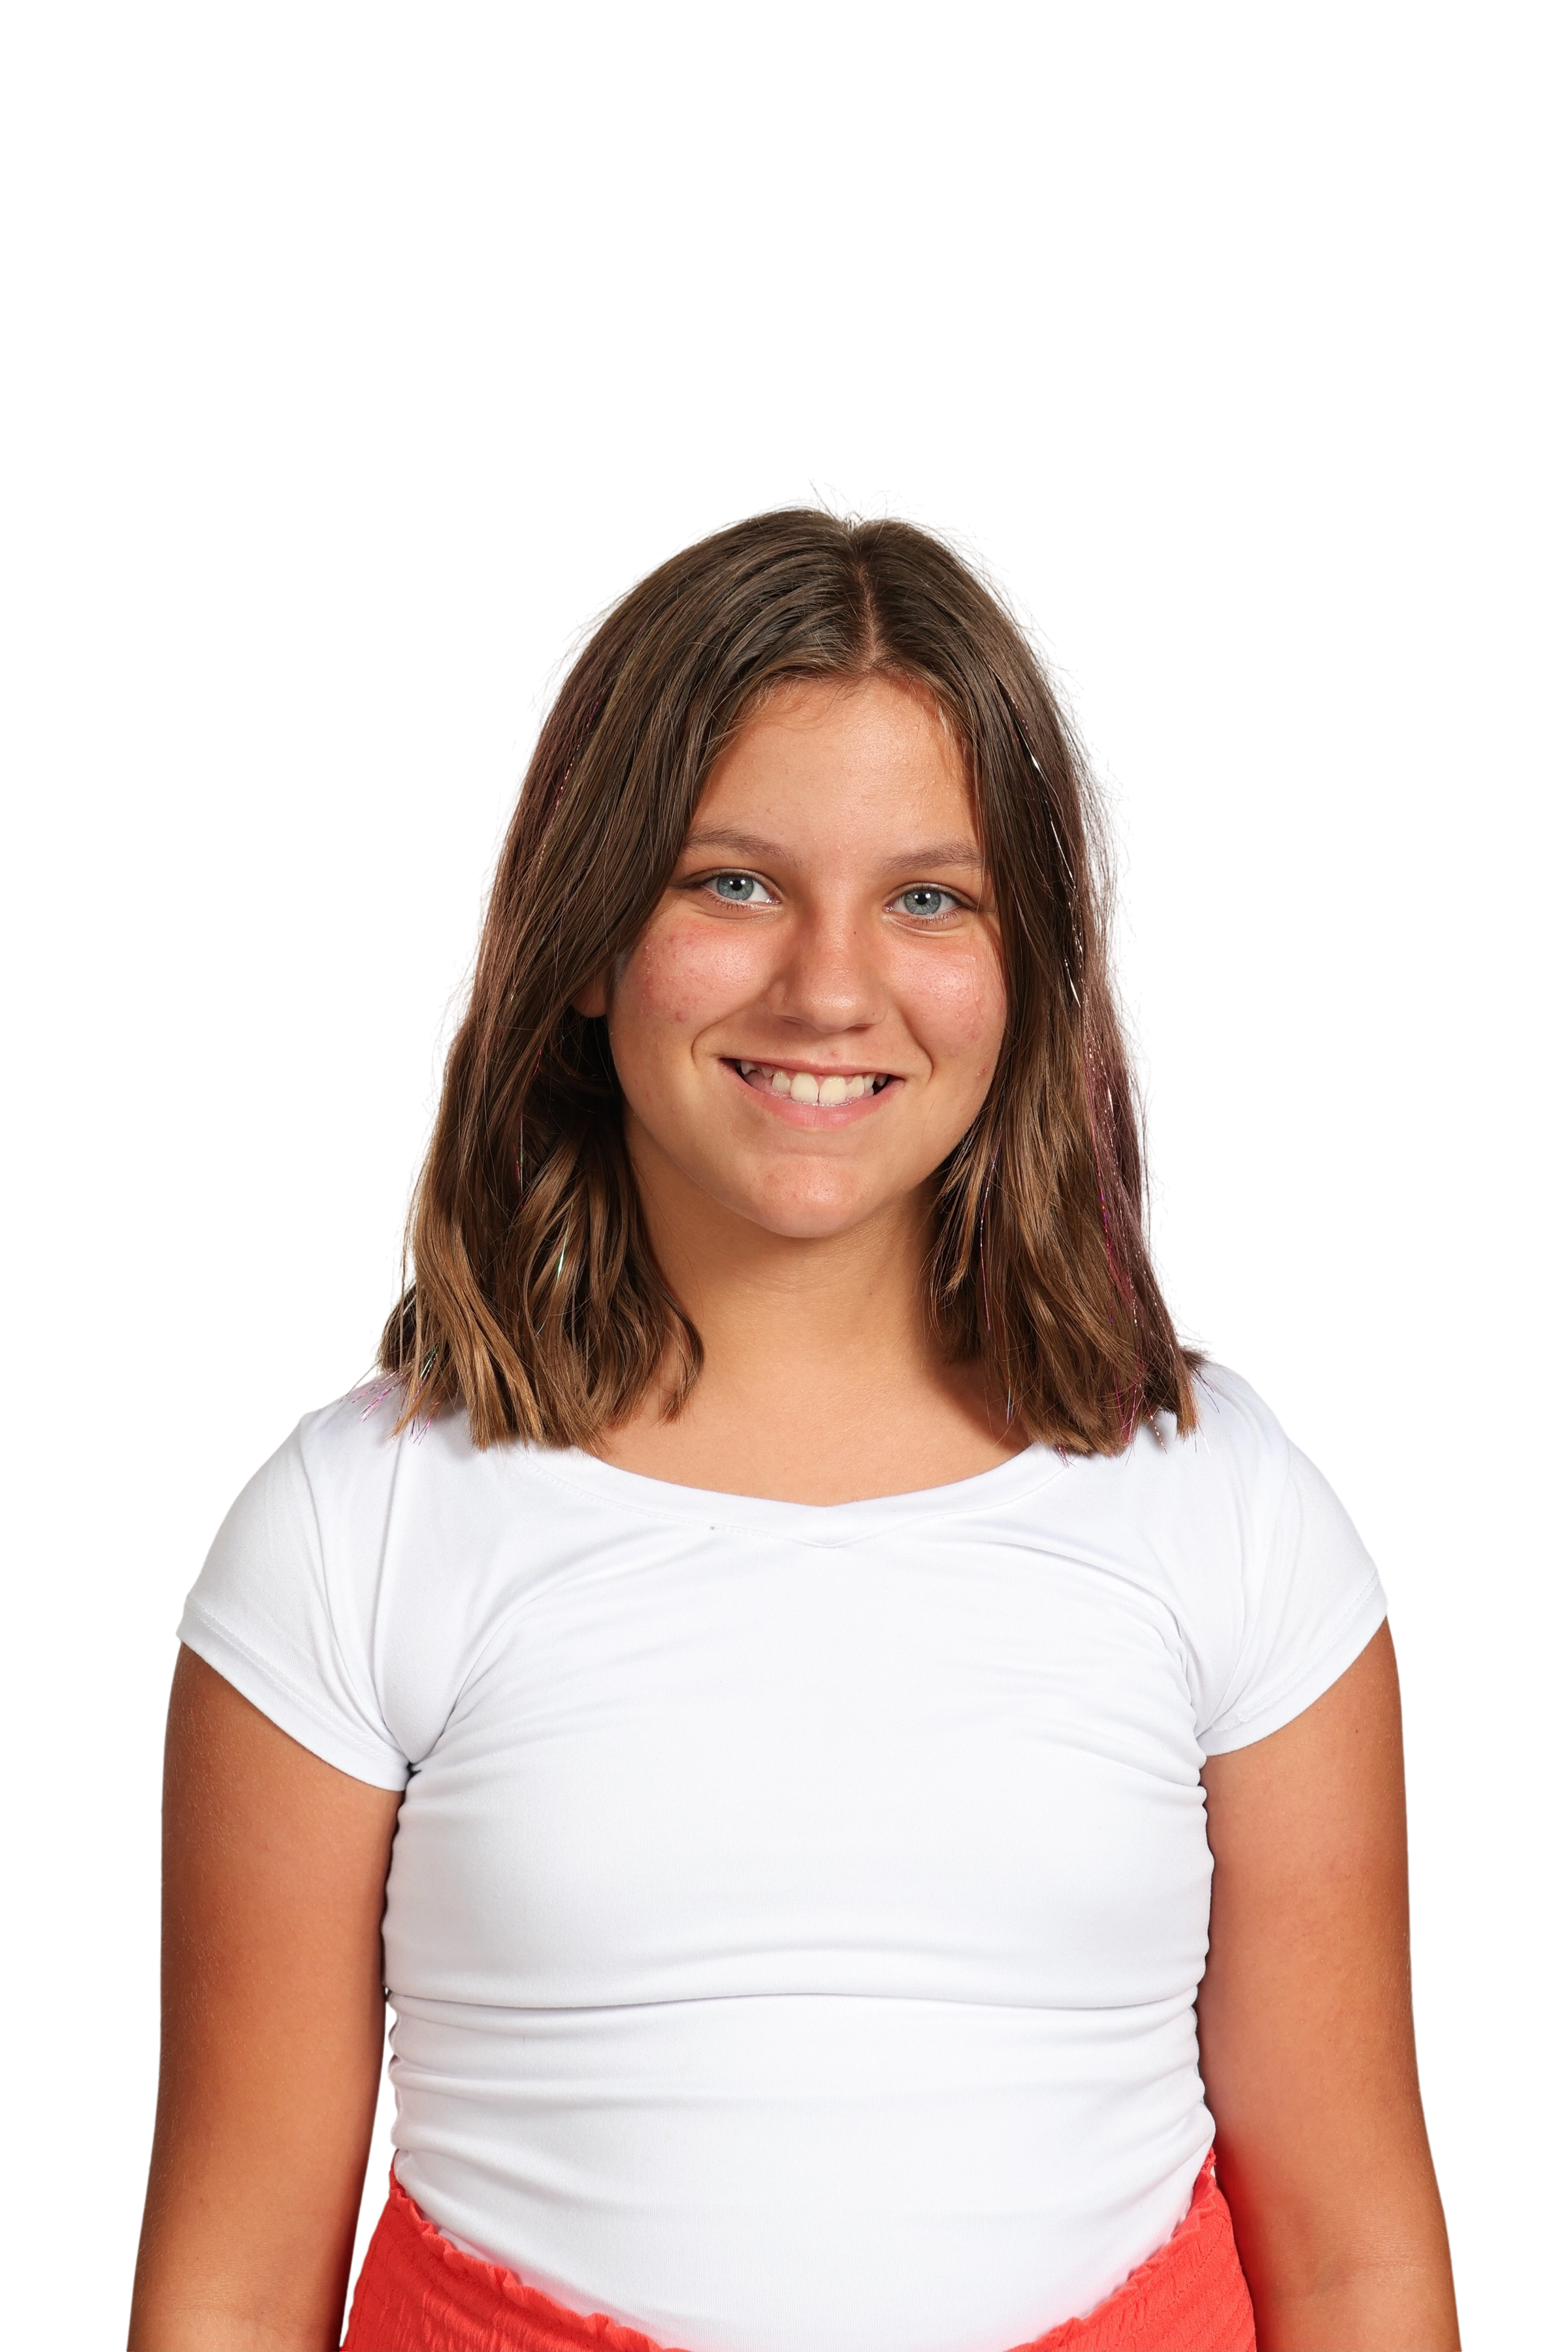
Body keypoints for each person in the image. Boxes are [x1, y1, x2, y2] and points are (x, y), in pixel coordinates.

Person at [125, 485, 1461, 2352]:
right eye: (730, 882)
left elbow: (1355, 2254)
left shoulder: (1224, 1514)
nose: (830, 988)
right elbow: (236, 2277)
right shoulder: (355, 1532)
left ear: (1035, 964)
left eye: (931, 898)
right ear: (586, 940)